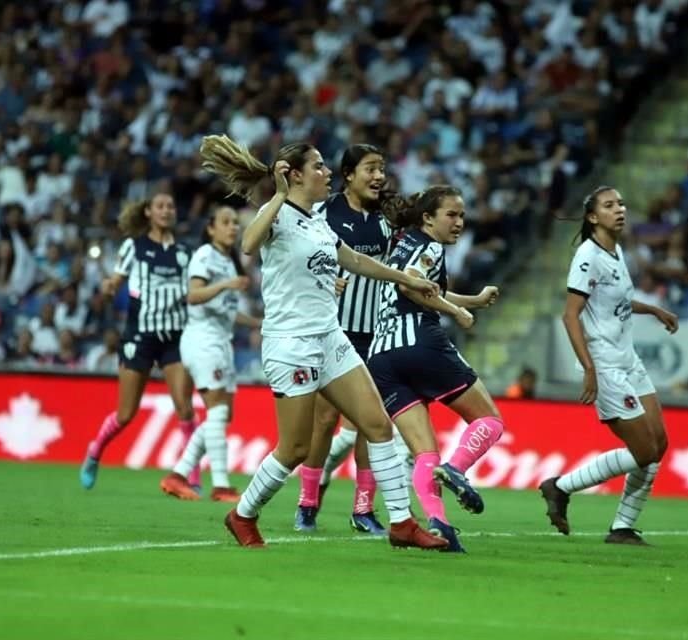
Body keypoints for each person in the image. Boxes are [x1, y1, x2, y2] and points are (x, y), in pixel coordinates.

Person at [198, 134, 447, 550]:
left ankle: (402, 523)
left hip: (330, 335)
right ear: (294, 176)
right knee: (294, 447)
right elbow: (247, 243)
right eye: (318, 166)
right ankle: (242, 514)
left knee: (376, 424)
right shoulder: (274, 213)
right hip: (291, 342)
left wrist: (405, 278)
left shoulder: (316, 219)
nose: (327, 172)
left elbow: (352, 258)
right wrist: (276, 196)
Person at [366, 185, 505, 552]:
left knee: (425, 453)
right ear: (428, 218)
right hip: (420, 344)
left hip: (382, 357)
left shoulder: (404, 243)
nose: (459, 222)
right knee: (489, 421)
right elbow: (415, 290)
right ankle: (458, 468)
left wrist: (471, 300)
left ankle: (441, 526)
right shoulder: (430, 246)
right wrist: (457, 312)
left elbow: (425, 288)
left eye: (462, 215)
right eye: (451, 215)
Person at [539, 186, 679, 546]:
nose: (619, 209)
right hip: (605, 364)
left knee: (659, 443)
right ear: (592, 217)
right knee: (644, 451)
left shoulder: (615, 251)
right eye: (609, 205)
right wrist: (589, 369)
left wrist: (654, 310)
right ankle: (560, 487)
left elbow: (615, 302)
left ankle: (623, 527)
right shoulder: (588, 256)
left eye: (620, 203)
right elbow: (571, 316)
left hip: (628, 359)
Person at [294, 144, 394, 535]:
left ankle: (363, 509)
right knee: (323, 421)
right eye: (370, 168)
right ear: (349, 174)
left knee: (372, 423)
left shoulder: (388, 219)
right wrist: (321, 279)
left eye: (382, 168)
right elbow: (299, 257)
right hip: (333, 329)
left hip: (377, 333)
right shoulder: (324, 212)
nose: (378, 176)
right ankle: (307, 502)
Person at [79, 193, 199, 490]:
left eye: (171, 206)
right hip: (140, 336)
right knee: (125, 414)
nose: (166, 210)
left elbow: (195, 290)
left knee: (185, 408)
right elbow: (116, 282)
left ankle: (190, 477)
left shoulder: (185, 252)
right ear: (148, 212)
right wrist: (108, 288)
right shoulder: (133, 247)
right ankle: (94, 452)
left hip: (175, 336)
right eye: (160, 206)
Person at [160, 206, 251, 503]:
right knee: (218, 412)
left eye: (235, 222)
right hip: (202, 340)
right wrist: (226, 284)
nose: (233, 227)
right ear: (211, 228)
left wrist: (260, 323)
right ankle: (221, 485)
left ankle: (178, 475)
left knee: (222, 415)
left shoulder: (228, 261)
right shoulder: (205, 256)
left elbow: (227, 310)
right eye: (226, 222)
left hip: (220, 342)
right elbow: (193, 295)